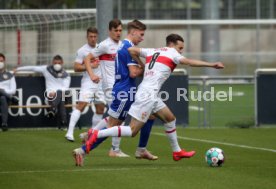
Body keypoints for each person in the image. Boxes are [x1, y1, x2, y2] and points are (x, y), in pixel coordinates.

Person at [76, 33, 224, 166]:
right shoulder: (173, 53)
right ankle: (97, 133)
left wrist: (142, 63)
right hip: (147, 94)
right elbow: (190, 62)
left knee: (170, 118)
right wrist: (211, 64)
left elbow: (131, 51)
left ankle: (175, 151)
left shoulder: (153, 50)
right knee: (132, 130)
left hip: (149, 93)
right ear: (172, 45)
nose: (181, 51)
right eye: (180, 48)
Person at [73, 20, 158, 166]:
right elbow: (133, 73)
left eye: (120, 30)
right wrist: (147, 70)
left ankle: (140, 149)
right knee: (114, 125)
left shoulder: (122, 46)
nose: (142, 38)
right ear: (133, 32)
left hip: (123, 89)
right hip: (124, 90)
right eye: (141, 34)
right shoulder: (127, 47)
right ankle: (88, 148)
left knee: (149, 114)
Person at [65, 27, 106, 142]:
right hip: (88, 82)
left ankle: (91, 135)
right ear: (87, 37)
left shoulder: (101, 48)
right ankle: (69, 132)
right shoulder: (82, 50)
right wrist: (89, 66)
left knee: (100, 109)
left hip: (100, 83)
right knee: (81, 105)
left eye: (94, 36)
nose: (93, 39)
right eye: (90, 37)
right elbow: (76, 67)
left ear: (97, 37)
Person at [15, 55, 71, 130]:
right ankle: (63, 123)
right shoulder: (46, 69)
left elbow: (65, 88)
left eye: (59, 63)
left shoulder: (66, 74)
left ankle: (52, 109)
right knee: (61, 101)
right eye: (55, 63)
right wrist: (18, 69)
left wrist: (56, 93)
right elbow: (33, 68)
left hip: (62, 94)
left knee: (60, 94)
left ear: (62, 63)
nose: (57, 65)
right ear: (52, 63)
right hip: (50, 95)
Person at [0, 53, 17, 131]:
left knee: (3, 97)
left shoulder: (10, 74)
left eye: (1, 61)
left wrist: (3, 91)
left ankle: (4, 124)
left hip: (6, 99)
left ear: (4, 62)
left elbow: (13, 90)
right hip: (8, 97)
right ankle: (4, 123)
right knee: (2, 97)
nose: (0, 63)